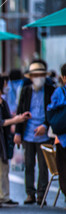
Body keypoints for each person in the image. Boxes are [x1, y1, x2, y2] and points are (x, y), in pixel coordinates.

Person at [0, 74, 31, 209]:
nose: (7, 86)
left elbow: (7, 118)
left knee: (4, 169)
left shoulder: (2, 102)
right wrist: (16, 120)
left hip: (3, 140)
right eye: (5, 83)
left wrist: (18, 117)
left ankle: (4, 196)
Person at [14, 60, 56, 205]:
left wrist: (45, 125)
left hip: (44, 134)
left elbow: (53, 112)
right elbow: (20, 111)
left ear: (45, 76)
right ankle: (30, 193)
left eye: (40, 75)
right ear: (31, 77)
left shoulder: (51, 90)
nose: (38, 77)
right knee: (29, 164)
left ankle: (41, 194)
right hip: (28, 134)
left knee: (44, 166)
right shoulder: (25, 91)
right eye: (35, 75)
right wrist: (18, 133)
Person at [46, 63, 66, 198]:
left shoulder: (59, 92)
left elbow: (51, 109)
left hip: (61, 137)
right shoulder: (59, 92)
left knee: (63, 169)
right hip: (62, 138)